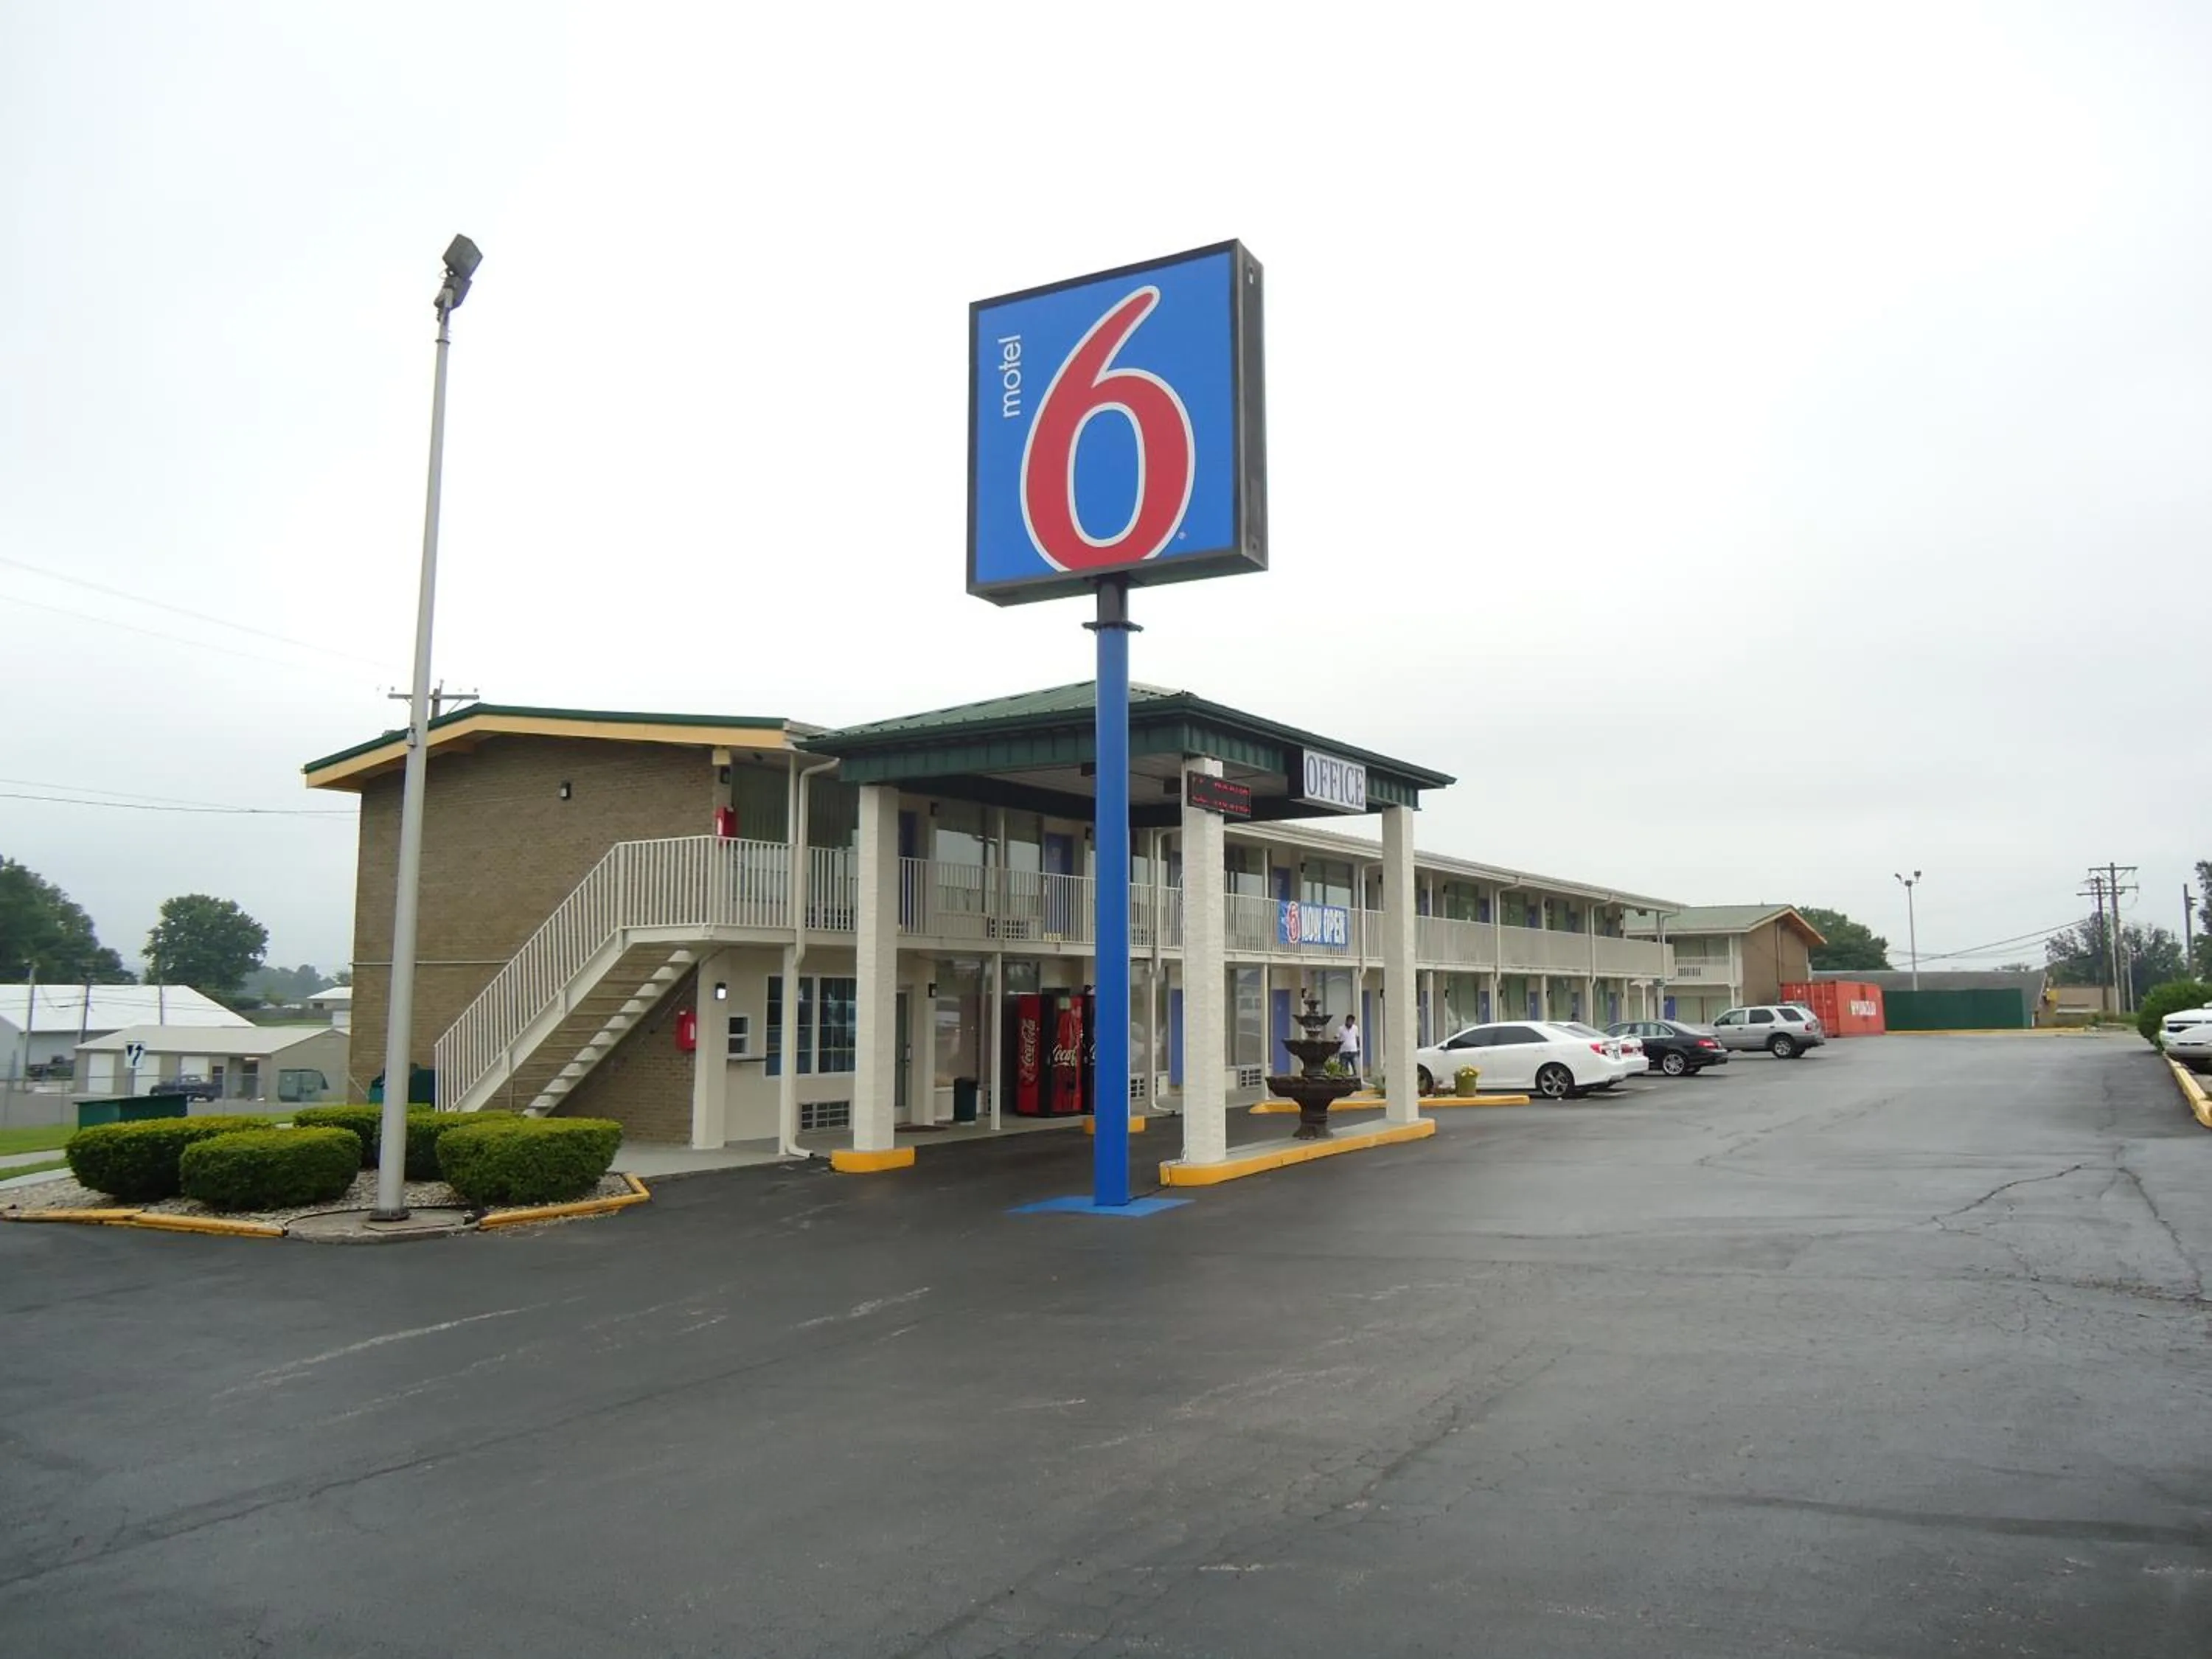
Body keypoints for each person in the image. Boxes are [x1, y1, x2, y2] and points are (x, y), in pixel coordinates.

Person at [1336, 1012, 1362, 1079]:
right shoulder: (1341, 1029)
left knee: (1355, 1068)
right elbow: (1336, 1038)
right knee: (1343, 1069)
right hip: (1344, 1051)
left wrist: (1359, 1048)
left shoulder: (1355, 1028)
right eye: (1349, 1021)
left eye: (1352, 1021)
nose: (1350, 1023)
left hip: (1353, 1051)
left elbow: (1357, 1038)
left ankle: (1356, 1082)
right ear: (1346, 1021)